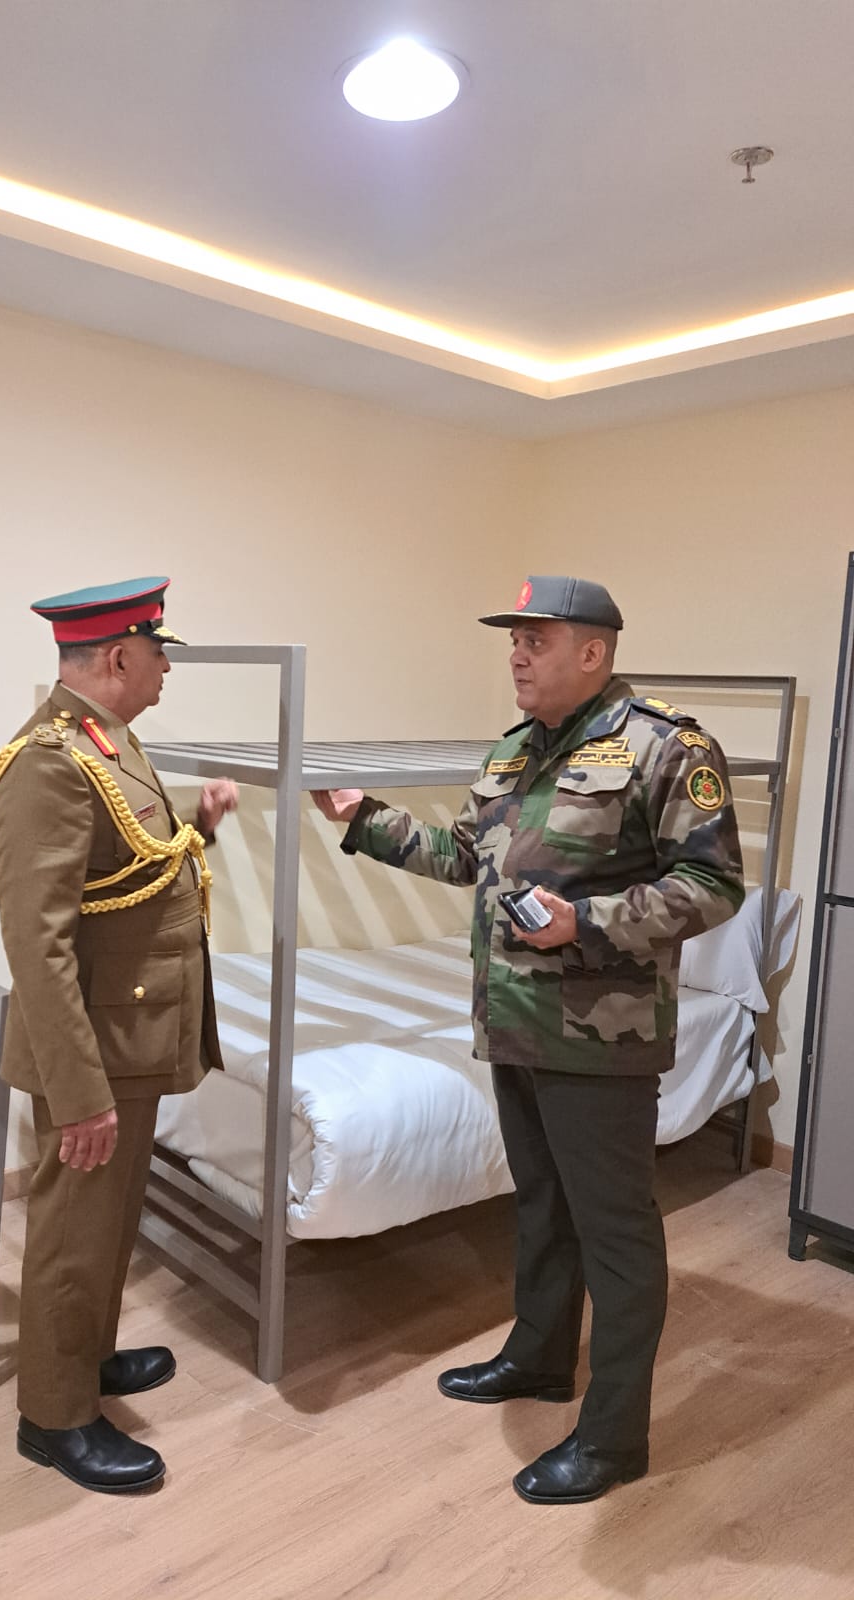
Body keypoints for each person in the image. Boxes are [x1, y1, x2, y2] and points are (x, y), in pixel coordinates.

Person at [312, 575, 743, 1505]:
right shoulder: (514, 750)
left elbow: (713, 886)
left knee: (615, 1234)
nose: (516, 654)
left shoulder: (667, 747)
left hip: (601, 1039)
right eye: (513, 639)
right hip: (514, 1021)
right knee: (542, 1205)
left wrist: (586, 923)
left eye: (535, 639)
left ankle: (615, 1438)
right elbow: (468, 858)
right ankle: (541, 1358)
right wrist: (363, 819)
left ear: (593, 651)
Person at [0, 576, 237, 1494]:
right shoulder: (47, 762)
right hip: (91, 1048)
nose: (167, 668)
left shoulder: (107, 738)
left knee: (109, 1221)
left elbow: (128, 867)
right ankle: (55, 1418)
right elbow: (37, 942)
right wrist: (80, 1091)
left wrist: (199, 826)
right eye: (159, 652)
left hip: (129, 1036)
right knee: (71, 1230)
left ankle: (85, 1356)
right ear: (120, 656)